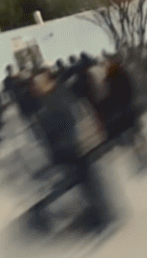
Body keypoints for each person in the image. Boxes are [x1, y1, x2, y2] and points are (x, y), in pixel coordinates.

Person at [23, 67, 114, 236]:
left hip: (73, 149)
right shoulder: (48, 99)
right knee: (85, 182)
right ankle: (101, 215)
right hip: (67, 150)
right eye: (37, 83)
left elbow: (68, 122)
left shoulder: (57, 98)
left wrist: (63, 144)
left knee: (87, 182)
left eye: (42, 82)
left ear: (50, 81)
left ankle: (102, 216)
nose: (39, 86)